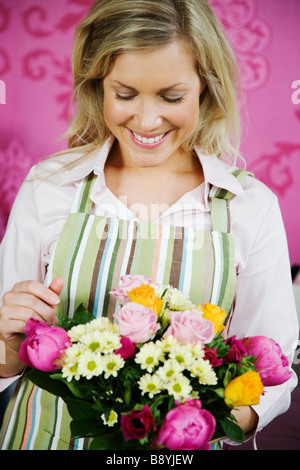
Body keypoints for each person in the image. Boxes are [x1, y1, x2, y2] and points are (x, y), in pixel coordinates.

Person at [0, 0, 298, 450]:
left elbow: (270, 371)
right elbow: (7, 351)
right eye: (125, 94)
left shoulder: (248, 206)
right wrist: (5, 346)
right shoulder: (50, 187)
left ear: (206, 88)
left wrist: (193, 425)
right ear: (97, 87)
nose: (146, 120)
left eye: (171, 96)